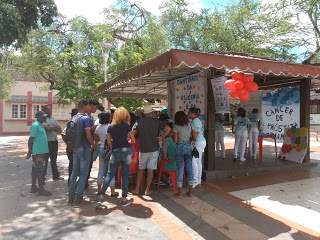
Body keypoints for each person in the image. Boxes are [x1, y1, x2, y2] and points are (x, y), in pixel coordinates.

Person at [96, 107, 135, 208]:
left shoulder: (110, 127)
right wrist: (127, 140)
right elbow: (133, 140)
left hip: (115, 152)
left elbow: (109, 142)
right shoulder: (127, 126)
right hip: (126, 152)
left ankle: (100, 198)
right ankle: (124, 199)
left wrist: (113, 145)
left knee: (109, 174)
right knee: (125, 176)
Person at [131, 105, 171, 196]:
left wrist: (133, 141)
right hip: (154, 149)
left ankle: (137, 189)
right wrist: (161, 137)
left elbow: (131, 132)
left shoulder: (139, 122)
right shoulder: (157, 122)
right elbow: (168, 129)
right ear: (152, 113)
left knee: (141, 169)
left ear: (144, 114)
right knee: (150, 170)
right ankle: (147, 190)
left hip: (143, 149)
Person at [68, 99, 95, 206]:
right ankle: (78, 198)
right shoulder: (85, 118)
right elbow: (88, 134)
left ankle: (71, 197)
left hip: (75, 147)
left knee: (74, 173)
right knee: (83, 174)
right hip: (84, 147)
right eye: (88, 105)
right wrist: (93, 144)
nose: (89, 107)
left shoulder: (74, 117)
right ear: (85, 106)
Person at [26, 111, 52, 196]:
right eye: (44, 116)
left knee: (35, 169)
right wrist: (30, 151)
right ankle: (41, 189)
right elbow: (31, 139)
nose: (45, 118)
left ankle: (33, 187)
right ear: (39, 117)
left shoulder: (40, 125)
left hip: (41, 151)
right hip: (38, 152)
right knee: (40, 170)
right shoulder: (36, 125)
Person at [94, 111, 117, 197]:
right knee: (110, 171)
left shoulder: (98, 128)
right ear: (109, 118)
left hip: (100, 148)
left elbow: (97, 140)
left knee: (101, 170)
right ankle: (112, 191)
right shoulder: (110, 127)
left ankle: (99, 190)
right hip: (109, 150)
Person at [172, 111, 193, 198]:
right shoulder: (189, 125)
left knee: (180, 169)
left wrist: (173, 137)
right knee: (189, 169)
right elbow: (192, 137)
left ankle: (179, 193)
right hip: (188, 146)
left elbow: (175, 141)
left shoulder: (176, 126)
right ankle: (190, 192)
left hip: (179, 147)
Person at [42, 105, 63, 180]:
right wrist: (54, 127)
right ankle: (42, 176)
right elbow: (46, 128)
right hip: (47, 142)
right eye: (47, 109)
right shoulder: (42, 119)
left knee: (54, 159)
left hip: (54, 141)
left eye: (50, 109)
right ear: (44, 110)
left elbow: (59, 128)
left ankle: (56, 175)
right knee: (45, 159)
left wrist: (51, 128)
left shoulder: (53, 119)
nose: (49, 111)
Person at [188, 107, 206, 188]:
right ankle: (199, 179)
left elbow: (195, 136)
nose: (188, 115)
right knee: (198, 161)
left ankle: (195, 180)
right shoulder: (197, 120)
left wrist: (191, 140)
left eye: (189, 113)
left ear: (193, 113)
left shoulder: (195, 122)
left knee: (193, 161)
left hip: (198, 142)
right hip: (201, 141)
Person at [61, 108, 78, 185]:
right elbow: (63, 134)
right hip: (72, 148)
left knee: (74, 164)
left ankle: (73, 181)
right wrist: (69, 145)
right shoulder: (70, 123)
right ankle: (71, 181)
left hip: (73, 147)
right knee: (72, 164)